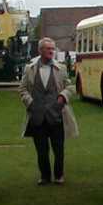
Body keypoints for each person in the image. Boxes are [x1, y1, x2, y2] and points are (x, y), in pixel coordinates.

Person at [19, 38, 78, 185]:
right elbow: (22, 89)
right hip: (37, 116)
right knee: (41, 150)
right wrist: (30, 103)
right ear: (40, 50)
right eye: (48, 49)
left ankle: (59, 175)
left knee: (59, 149)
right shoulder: (30, 68)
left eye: (53, 48)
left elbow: (70, 87)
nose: (52, 51)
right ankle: (44, 176)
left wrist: (62, 97)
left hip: (57, 115)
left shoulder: (61, 68)